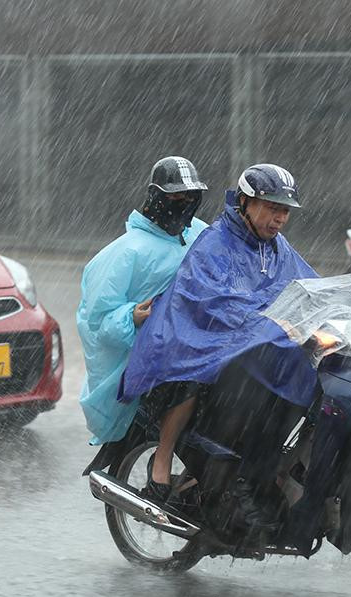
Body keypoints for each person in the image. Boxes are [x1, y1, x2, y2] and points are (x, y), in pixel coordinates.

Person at [120, 163, 318, 522]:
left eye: (285, 211)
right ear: (244, 201)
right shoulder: (215, 242)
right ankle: (161, 463)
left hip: (251, 340)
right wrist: (268, 319)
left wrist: (331, 308)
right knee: (192, 373)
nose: (279, 219)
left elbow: (307, 284)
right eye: (272, 208)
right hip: (192, 337)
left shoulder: (277, 248)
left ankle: (270, 469)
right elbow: (215, 299)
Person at [76, 156, 208, 451]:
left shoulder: (200, 233)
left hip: (203, 341)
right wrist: (131, 318)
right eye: (175, 196)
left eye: (190, 196)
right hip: (160, 359)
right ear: (156, 197)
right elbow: (95, 322)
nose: (183, 203)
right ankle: (163, 459)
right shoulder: (123, 254)